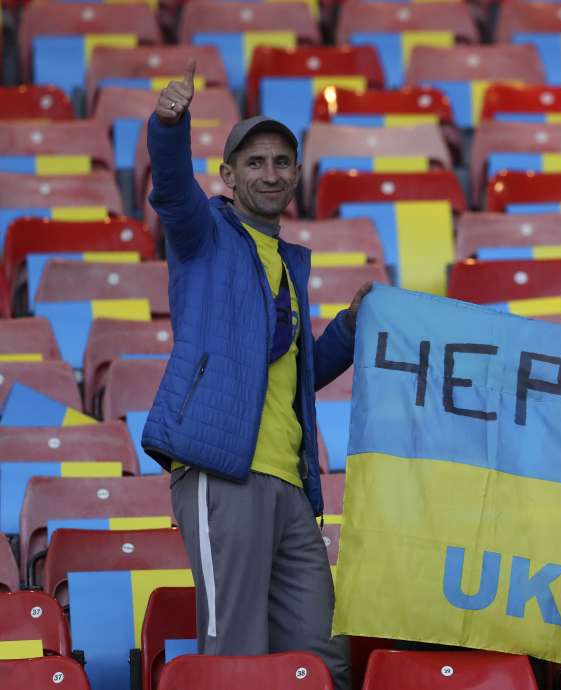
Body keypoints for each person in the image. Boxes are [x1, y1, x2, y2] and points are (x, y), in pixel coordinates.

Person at [140, 59, 369, 690]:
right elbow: (169, 188)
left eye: (280, 162)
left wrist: (347, 329)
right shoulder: (204, 232)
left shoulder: (288, 261)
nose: (269, 173)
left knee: (323, 657)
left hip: (292, 486)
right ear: (229, 175)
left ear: (296, 175)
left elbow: (294, 375)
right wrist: (168, 122)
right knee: (234, 653)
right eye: (255, 162)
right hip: (223, 474)